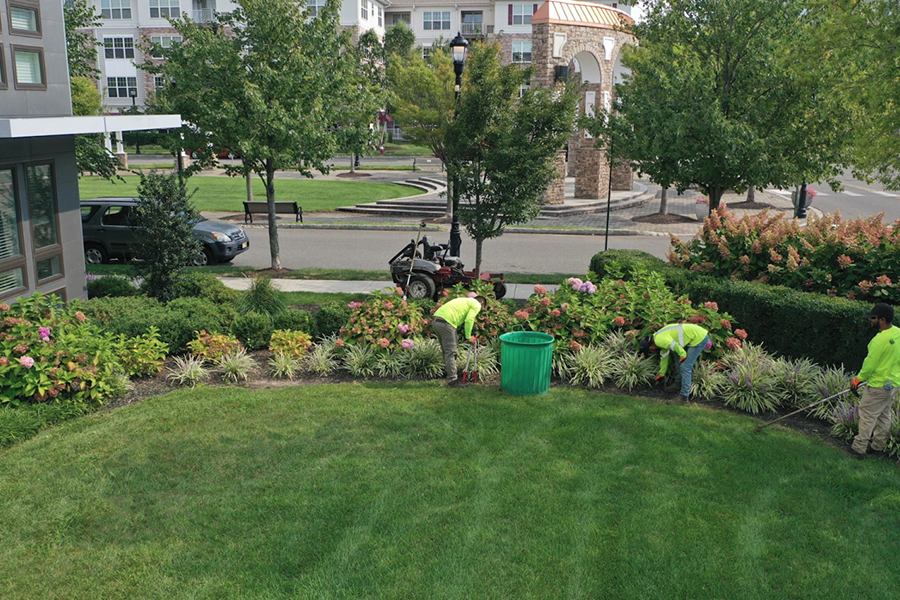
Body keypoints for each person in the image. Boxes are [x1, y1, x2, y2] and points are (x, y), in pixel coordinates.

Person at [849, 303, 900, 458]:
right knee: (884, 415)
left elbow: (869, 366)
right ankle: (878, 446)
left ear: (882, 320)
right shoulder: (898, 333)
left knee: (867, 416)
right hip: (894, 384)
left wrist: (858, 380)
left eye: (873, 318)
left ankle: (858, 448)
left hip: (877, 386)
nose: (870, 320)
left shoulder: (878, 341)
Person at [639, 323, 710, 401]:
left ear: (650, 346)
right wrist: (661, 374)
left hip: (699, 338)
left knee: (685, 366)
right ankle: (678, 383)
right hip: (695, 334)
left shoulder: (659, 340)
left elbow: (674, 345)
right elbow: (664, 357)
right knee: (677, 359)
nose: (651, 351)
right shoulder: (658, 338)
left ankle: (683, 397)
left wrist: (683, 355)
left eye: (649, 350)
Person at [432, 295, 486, 387]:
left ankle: (450, 376)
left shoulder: (466, 301)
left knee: (446, 352)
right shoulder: (476, 304)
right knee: (451, 353)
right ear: (482, 303)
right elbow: (469, 319)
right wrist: (468, 337)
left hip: (436, 322)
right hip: (446, 323)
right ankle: (453, 381)